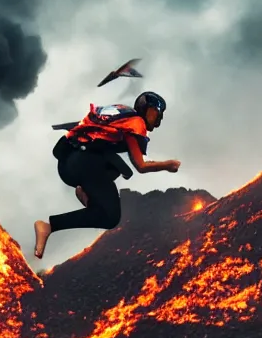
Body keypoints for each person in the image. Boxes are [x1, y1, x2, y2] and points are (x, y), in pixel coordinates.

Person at [33, 91, 180, 259]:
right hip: (86, 163)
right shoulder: (136, 122)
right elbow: (141, 165)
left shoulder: (120, 113)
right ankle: (49, 226)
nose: (158, 118)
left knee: (120, 167)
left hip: (68, 163)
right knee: (110, 217)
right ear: (144, 109)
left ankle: (86, 192)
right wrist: (169, 165)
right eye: (155, 112)